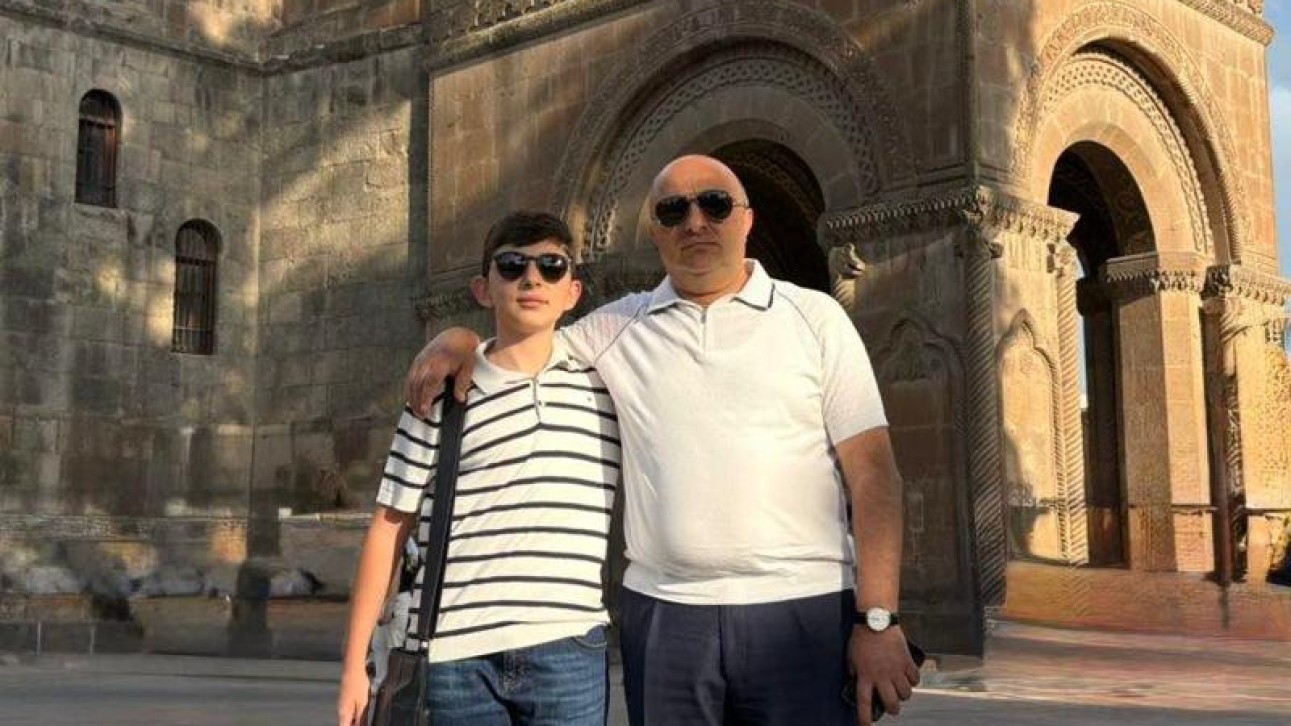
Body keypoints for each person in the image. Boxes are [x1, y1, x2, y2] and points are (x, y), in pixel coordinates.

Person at [405, 155, 919, 726]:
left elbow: (874, 475)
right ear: (655, 230)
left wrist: (879, 620)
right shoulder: (617, 328)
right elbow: (525, 341)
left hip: (803, 607)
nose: (695, 222)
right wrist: (457, 338)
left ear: (747, 219)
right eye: (673, 211)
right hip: (669, 616)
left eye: (715, 205)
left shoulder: (814, 316)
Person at [338, 211, 621, 726]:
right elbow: (389, 525)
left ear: (573, 291)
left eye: (551, 266)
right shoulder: (441, 393)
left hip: (569, 647)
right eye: (512, 265)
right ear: (483, 288)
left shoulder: (606, 382)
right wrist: (354, 665)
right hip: (455, 657)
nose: (531, 279)